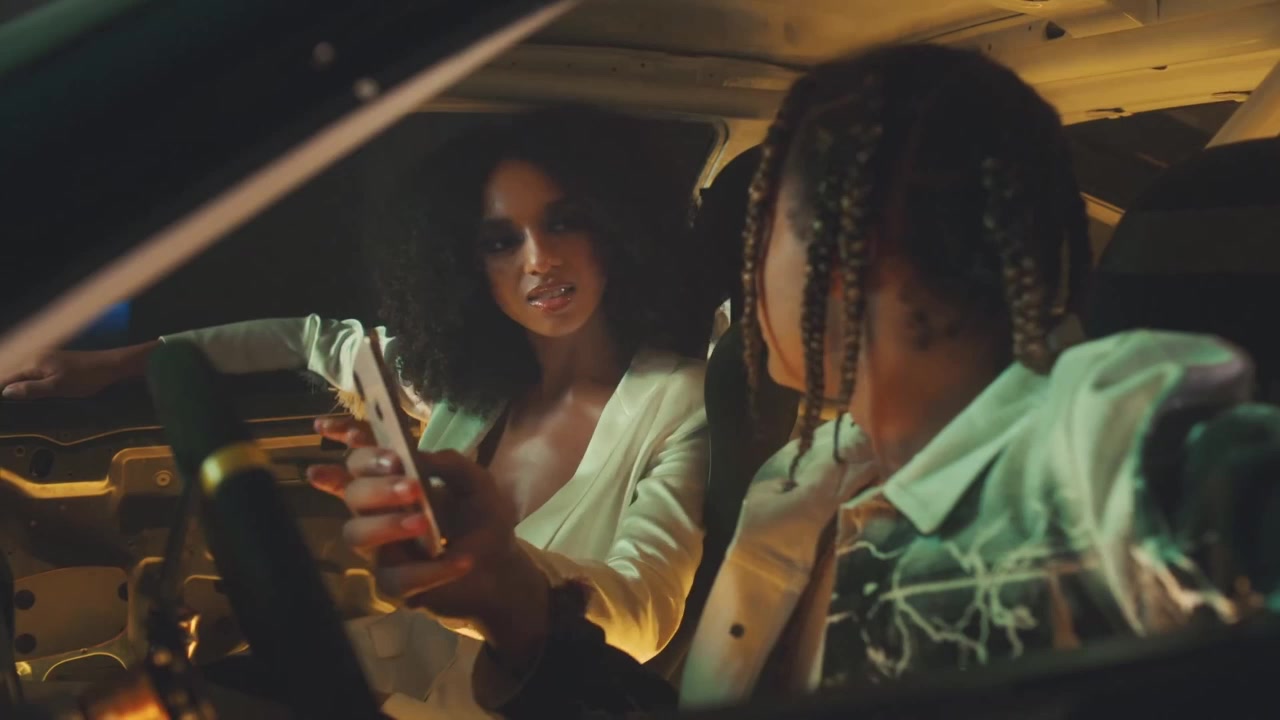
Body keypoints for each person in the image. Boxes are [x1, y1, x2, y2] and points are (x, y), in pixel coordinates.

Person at [322, 43, 1254, 718]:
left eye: (757, 229)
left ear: (843, 253)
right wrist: (513, 607)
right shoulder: (799, 488)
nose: (736, 276)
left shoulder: (1105, 430)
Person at [2, 106, 711, 719]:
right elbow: (315, 340)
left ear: (618, 227)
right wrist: (120, 363)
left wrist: (505, 578)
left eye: (564, 222)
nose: (539, 260)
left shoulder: (679, 401)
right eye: (501, 240)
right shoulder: (471, 386)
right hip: (375, 680)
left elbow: (645, 615)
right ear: (464, 263)